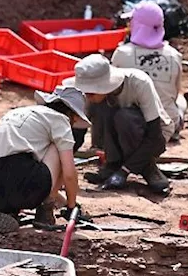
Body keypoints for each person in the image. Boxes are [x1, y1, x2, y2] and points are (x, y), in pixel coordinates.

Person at [0, 86, 88, 234]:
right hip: (21, 187)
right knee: (60, 150)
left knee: (26, 162)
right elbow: (69, 173)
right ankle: (44, 213)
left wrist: (63, 203)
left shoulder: (20, 113)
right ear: (73, 116)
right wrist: (72, 207)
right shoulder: (60, 120)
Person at [67, 53, 173, 194]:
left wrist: (125, 171)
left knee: (124, 117)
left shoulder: (138, 83)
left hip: (154, 135)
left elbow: (155, 136)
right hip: (122, 136)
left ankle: (148, 168)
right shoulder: (93, 98)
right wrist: (64, 163)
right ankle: (113, 163)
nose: (87, 96)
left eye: (90, 93)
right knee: (99, 108)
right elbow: (78, 131)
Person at [111, 1, 186, 140]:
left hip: (130, 123)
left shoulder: (121, 53)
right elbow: (175, 93)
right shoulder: (174, 56)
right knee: (181, 99)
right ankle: (174, 128)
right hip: (165, 126)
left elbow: (112, 92)